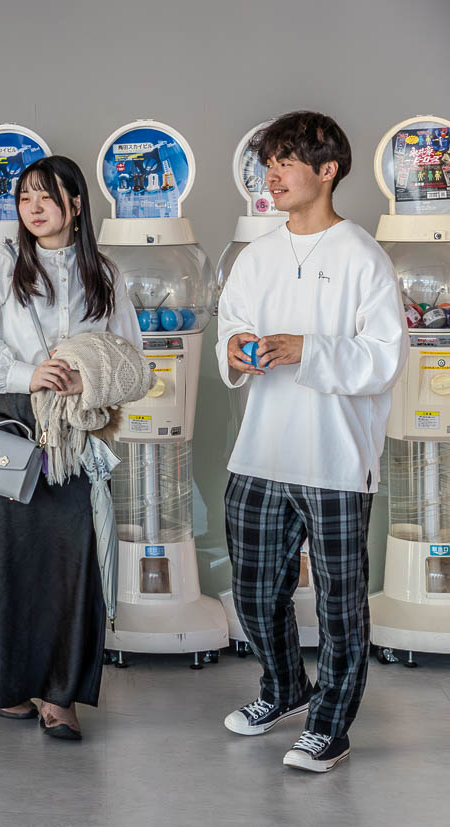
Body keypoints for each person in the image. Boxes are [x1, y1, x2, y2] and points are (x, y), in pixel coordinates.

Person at [217, 111, 405, 772]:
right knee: (253, 590)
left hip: (335, 459)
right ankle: (283, 688)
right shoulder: (257, 256)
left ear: (327, 170)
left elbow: (384, 359)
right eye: (270, 161)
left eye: (287, 160)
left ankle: (330, 725)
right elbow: (232, 330)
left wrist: (310, 348)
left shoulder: (362, 256)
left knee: (338, 601)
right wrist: (237, 350)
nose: (274, 173)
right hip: (259, 452)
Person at [0, 156, 142, 739]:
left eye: (46, 197)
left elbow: (129, 353)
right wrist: (26, 374)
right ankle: (3, 675)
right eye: (25, 198)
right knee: (16, 563)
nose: (33, 209)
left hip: (78, 430)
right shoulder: (2, 263)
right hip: (19, 426)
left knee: (76, 563)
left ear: (77, 204)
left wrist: (93, 379)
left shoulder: (103, 272)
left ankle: (60, 696)